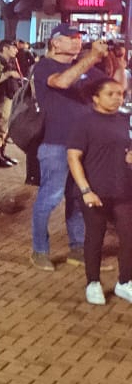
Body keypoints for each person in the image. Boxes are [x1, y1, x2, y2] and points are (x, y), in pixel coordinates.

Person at [30, 25, 105, 271]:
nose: (76, 43)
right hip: (56, 143)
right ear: (55, 43)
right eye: (70, 39)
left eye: (79, 39)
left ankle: (78, 249)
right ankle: (39, 250)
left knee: (77, 198)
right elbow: (62, 83)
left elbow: (114, 88)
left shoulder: (86, 69)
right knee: (49, 198)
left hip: (84, 145)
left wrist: (115, 60)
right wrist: (91, 58)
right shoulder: (45, 66)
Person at [67, 77, 132, 305]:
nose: (117, 98)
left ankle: (125, 282)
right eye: (111, 94)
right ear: (96, 97)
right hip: (95, 189)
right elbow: (74, 157)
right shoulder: (84, 122)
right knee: (95, 237)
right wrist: (86, 190)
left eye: (120, 94)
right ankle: (93, 283)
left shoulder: (125, 120)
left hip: (123, 188)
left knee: (129, 235)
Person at [0, 41, 24, 167]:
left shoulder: (11, 61)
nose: (16, 50)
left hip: (11, 96)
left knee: (6, 127)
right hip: (2, 97)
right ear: (5, 48)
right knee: (1, 125)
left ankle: (1, 153)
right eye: (13, 48)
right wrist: (8, 74)